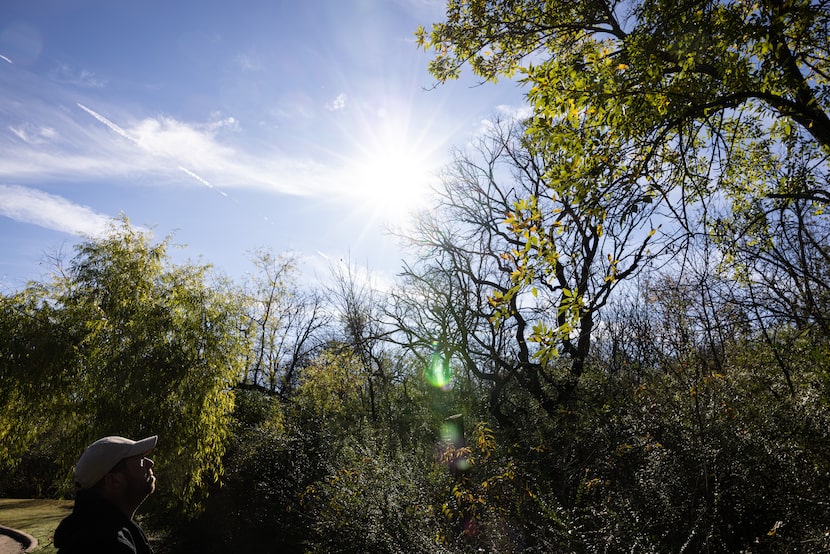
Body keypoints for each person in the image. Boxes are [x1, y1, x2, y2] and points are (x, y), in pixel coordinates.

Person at [54, 435, 158, 554]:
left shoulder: (91, 532)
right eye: (139, 459)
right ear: (114, 481)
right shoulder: (108, 545)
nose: (150, 463)